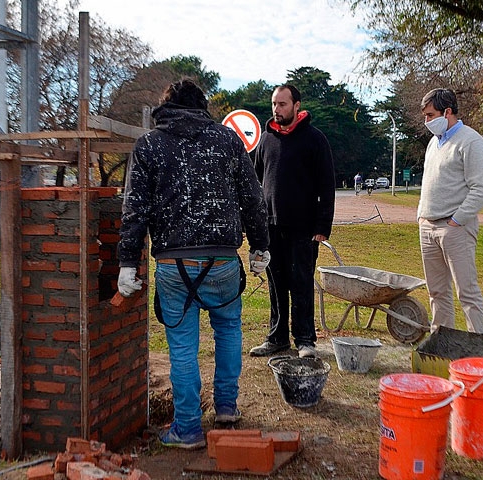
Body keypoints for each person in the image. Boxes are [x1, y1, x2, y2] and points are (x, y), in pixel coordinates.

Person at [117, 79, 270, 449]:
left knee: (183, 348)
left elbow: (135, 209)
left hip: (174, 264)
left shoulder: (149, 145)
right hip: (222, 260)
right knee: (229, 332)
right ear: (203, 106)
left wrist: (126, 262)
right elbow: (252, 199)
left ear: (165, 107)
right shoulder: (228, 141)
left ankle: (187, 428)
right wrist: (260, 248)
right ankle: (226, 409)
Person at [249, 85, 335, 359]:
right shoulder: (265, 140)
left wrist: (322, 226)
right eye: (275, 104)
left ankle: (305, 341)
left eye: (283, 104)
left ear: (297, 105)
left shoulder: (314, 139)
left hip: (304, 228)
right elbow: (256, 183)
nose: (277, 109)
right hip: (271, 228)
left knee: (301, 284)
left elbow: (327, 185)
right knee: (276, 285)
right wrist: (255, 225)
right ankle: (277, 338)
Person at [417, 88, 483, 334]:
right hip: (428, 228)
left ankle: (475, 349)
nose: (426, 121)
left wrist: (456, 221)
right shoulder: (433, 143)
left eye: (430, 115)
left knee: (467, 292)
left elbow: (482, 189)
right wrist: (422, 217)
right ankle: (441, 346)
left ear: (447, 112)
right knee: (437, 292)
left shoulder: (471, 141)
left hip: (454, 228)